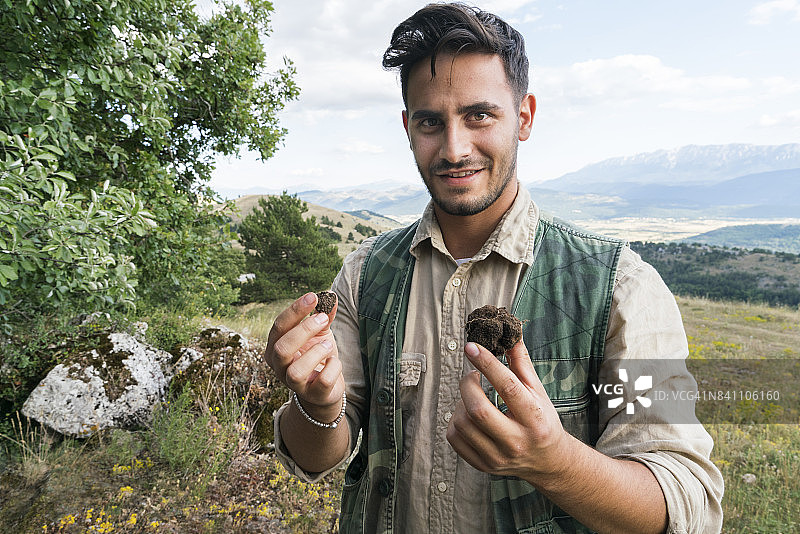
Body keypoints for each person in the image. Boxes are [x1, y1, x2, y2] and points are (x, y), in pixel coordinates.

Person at [265, 3, 724, 533]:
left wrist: (555, 462)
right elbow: (319, 456)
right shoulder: (364, 276)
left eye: (479, 115)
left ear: (524, 117)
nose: (455, 148)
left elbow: (687, 502)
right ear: (407, 127)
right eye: (431, 122)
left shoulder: (621, 289)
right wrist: (318, 406)